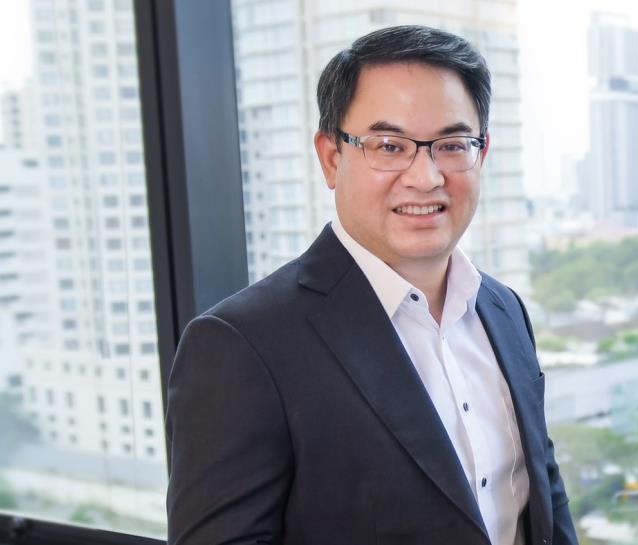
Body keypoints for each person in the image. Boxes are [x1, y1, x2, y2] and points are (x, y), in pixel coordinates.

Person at [165, 25, 577, 545]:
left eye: (452, 145)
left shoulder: (503, 308)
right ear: (331, 158)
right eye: (389, 145)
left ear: (483, 153)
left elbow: (544, 500)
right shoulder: (240, 345)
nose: (426, 177)